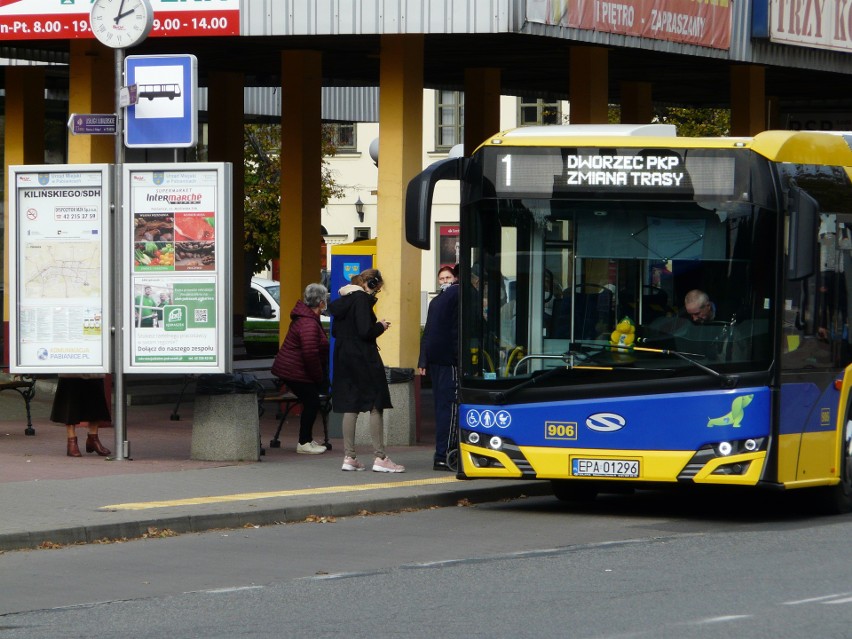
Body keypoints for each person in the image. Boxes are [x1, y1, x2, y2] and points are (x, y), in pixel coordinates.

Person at [327, 268, 404, 473]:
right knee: (375, 403)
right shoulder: (361, 299)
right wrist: (380, 326)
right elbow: (365, 331)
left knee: (350, 406)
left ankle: (349, 457)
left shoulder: (343, 301)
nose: (375, 294)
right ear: (370, 284)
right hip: (363, 358)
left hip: (344, 358)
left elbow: (335, 331)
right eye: (376, 289)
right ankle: (380, 457)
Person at [271, 283, 330, 455]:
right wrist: (318, 377)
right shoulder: (308, 323)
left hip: (295, 370)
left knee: (311, 402)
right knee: (312, 402)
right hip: (295, 371)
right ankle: (304, 443)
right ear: (320, 302)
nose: (326, 303)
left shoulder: (307, 319)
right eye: (325, 300)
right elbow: (310, 353)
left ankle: (307, 440)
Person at [418, 265, 459, 471]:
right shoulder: (458, 295)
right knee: (450, 408)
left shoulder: (436, 301)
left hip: (436, 361)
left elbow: (428, 333)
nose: (444, 281)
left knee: (441, 407)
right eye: (442, 277)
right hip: (450, 361)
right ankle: (445, 454)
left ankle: (442, 453)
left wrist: (423, 360)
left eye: (447, 277)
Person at [50, 374, 112, 458]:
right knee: (70, 394)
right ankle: (71, 440)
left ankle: (93, 438)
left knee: (95, 394)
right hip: (72, 364)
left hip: (93, 364)